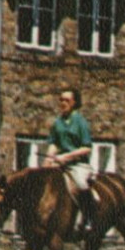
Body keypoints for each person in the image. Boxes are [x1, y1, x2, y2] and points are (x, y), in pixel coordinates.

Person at [44, 88, 95, 236]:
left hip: (78, 164)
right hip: (60, 164)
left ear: (74, 103)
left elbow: (86, 148)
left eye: (67, 100)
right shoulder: (58, 122)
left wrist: (66, 157)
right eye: (61, 100)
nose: (63, 103)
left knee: (80, 183)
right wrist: (48, 160)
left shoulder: (80, 122)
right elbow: (54, 144)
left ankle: (88, 218)